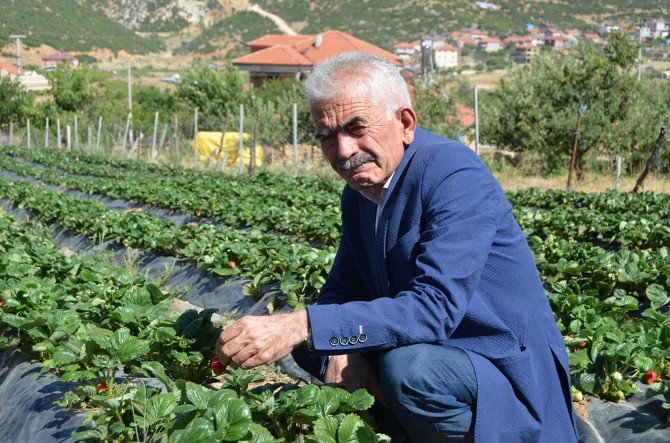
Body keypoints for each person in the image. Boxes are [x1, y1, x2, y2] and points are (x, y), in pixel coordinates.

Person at [216, 51, 578, 442]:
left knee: (409, 371)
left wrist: (304, 324)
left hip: (496, 364)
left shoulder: (453, 174)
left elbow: (434, 309)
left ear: (404, 122)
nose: (343, 151)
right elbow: (344, 286)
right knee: (316, 344)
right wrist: (335, 349)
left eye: (357, 128)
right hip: (435, 348)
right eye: (327, 137)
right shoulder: (360, 192)